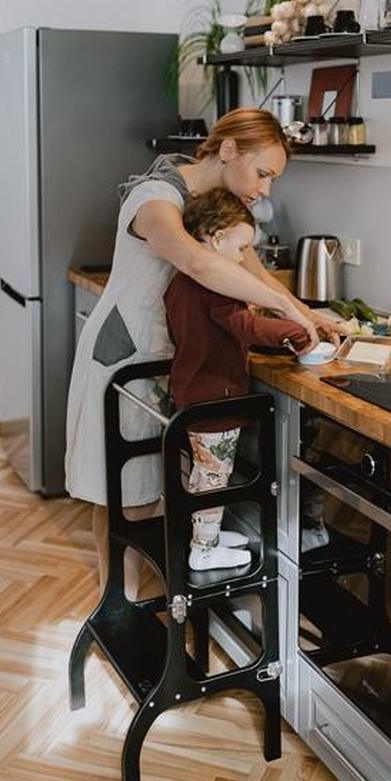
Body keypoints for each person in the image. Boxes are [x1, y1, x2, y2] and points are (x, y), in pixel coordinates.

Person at [64, 108, 343, 598]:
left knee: (149, 491)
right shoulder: (155, 199)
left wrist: (309, 315)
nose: (265, 189)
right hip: (125, 356)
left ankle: (127, 601)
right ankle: (118, 605)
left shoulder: (215, 207)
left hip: (166, 361)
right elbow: (196, 262)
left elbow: (253, 272)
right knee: (125, 495)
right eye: (263, 173)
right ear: (229, 150)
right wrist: (287, 310)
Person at [164, 188, 310, 571]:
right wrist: (294, 331)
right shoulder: (214, 286)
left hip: (189, 390)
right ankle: (204, 550)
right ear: (216, 238)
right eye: (241, 247)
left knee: (201, 473)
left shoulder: (180, 281)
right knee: (214, 476)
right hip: (215, 398)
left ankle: (204, 536)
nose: (244, 258)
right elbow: (246, 326)